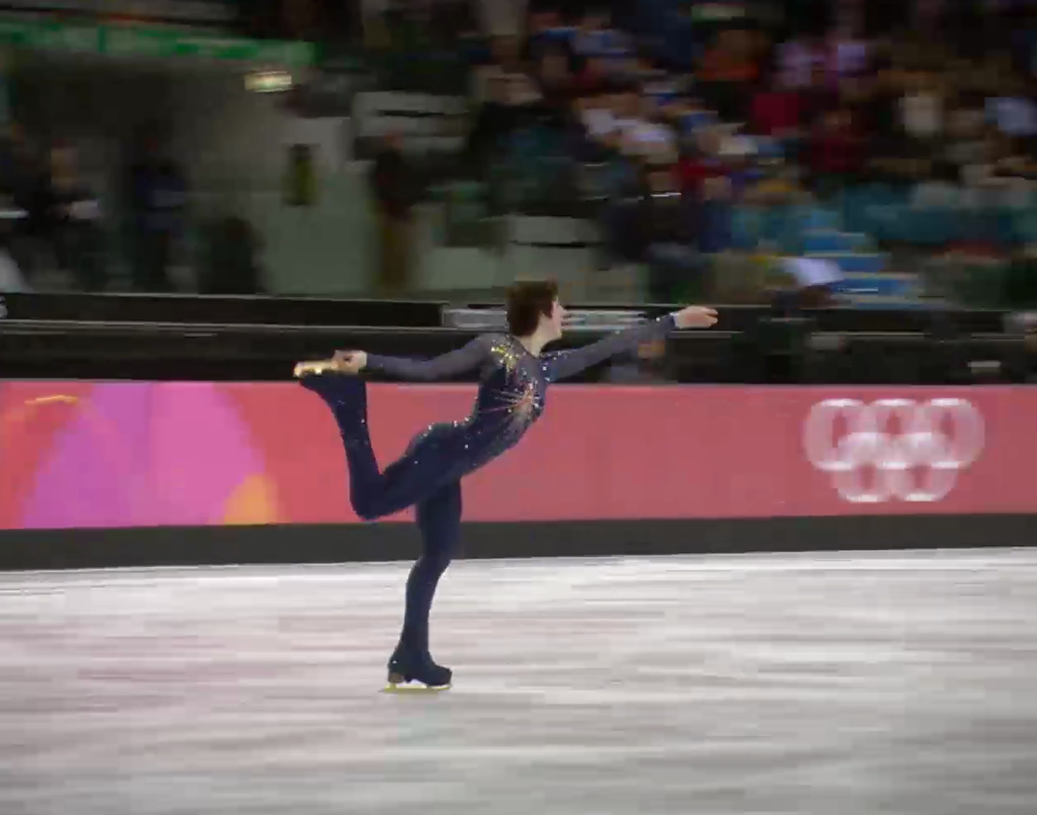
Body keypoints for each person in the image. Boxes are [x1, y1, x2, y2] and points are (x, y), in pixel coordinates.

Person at [293, 280, 719, 690]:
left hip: (451, 467)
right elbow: (431, 370)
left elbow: (609, 347)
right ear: (542, 311)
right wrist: (370, 360)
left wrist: (675, 321)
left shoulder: (547, 368)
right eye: (559, 305)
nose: (565, 312)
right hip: (440, 451)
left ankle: (411, 656)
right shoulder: (496, 348)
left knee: (439, 553)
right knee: (368, 505)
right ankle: (348, 403)